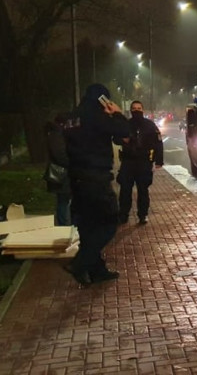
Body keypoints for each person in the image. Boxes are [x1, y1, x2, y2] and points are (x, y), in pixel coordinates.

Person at [62, 84, 130, 286]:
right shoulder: (96, 116)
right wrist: (117, 113)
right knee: (109, 222)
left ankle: (96, 269)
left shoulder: (73, 118)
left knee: (88, 225)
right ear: (102, 99)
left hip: (77, 178)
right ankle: (81, 263)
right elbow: (123, 132)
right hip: (96, 178)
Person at [116, 100, 164, 225]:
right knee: (125, 190)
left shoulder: (150, 125)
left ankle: (143, 215)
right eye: (134, 108)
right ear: (131, 110)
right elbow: (115, 138)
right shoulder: (125, 124)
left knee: (143, 190)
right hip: (128, 162)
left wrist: (159, 160)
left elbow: (158, 143)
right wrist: (122, 140)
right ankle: (123, 214)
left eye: (139, 108)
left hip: (144, 162)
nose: (136, 110)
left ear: (143, 110)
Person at [43, 112, 72, 226]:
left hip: (62, 173)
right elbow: (59, 155)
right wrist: (72, 163)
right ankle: (63, 227)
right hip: (61, 174)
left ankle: (64, 225)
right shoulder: (57, 135)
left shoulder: (56, 133)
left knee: (64, 201)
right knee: (63, 201)